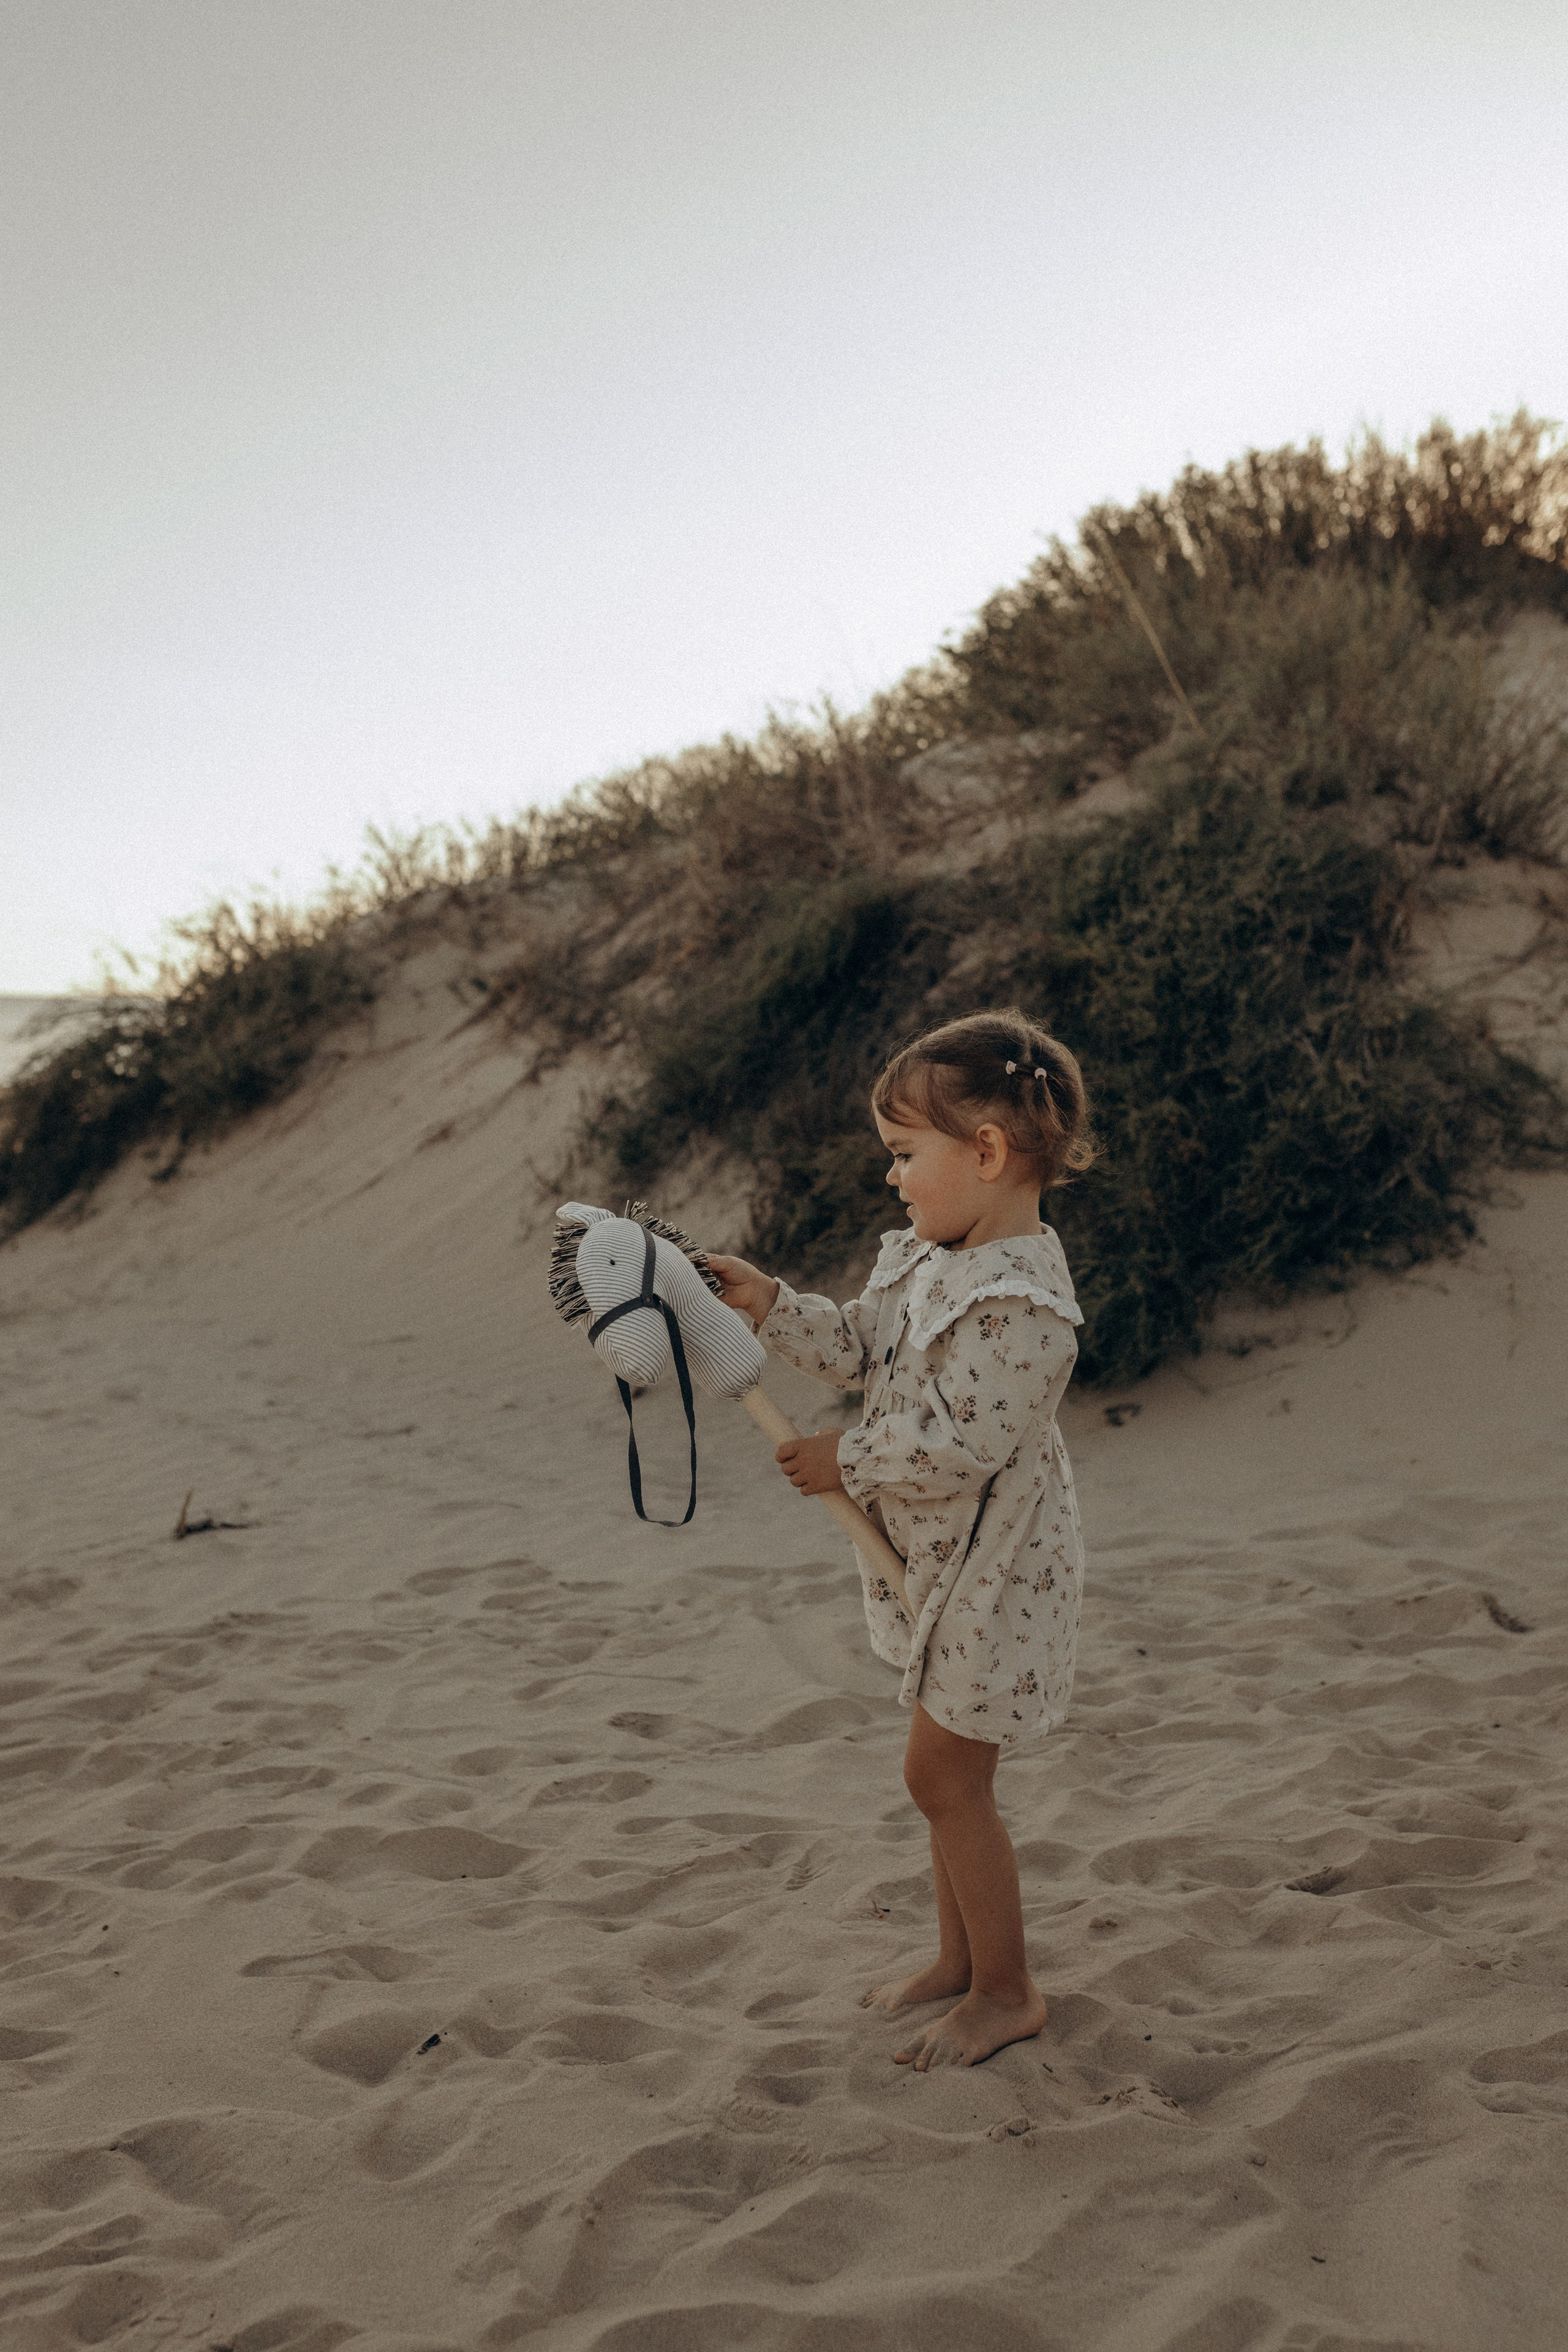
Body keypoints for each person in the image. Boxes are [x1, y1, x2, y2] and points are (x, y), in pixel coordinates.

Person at [706, 1008, 1093, 2071]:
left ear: (988, 1153)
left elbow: (963, 1442)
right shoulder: (926, 1259)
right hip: (937, 1560)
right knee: (946, 1779)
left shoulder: (1025, 1304)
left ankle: (1007, 1990)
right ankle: (960, 1960)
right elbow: (858, 1350)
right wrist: (771, 1304)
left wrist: (849, 1460)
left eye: (905, 1154)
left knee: (943, 1778)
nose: (892, 1177)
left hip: (997, 1571)